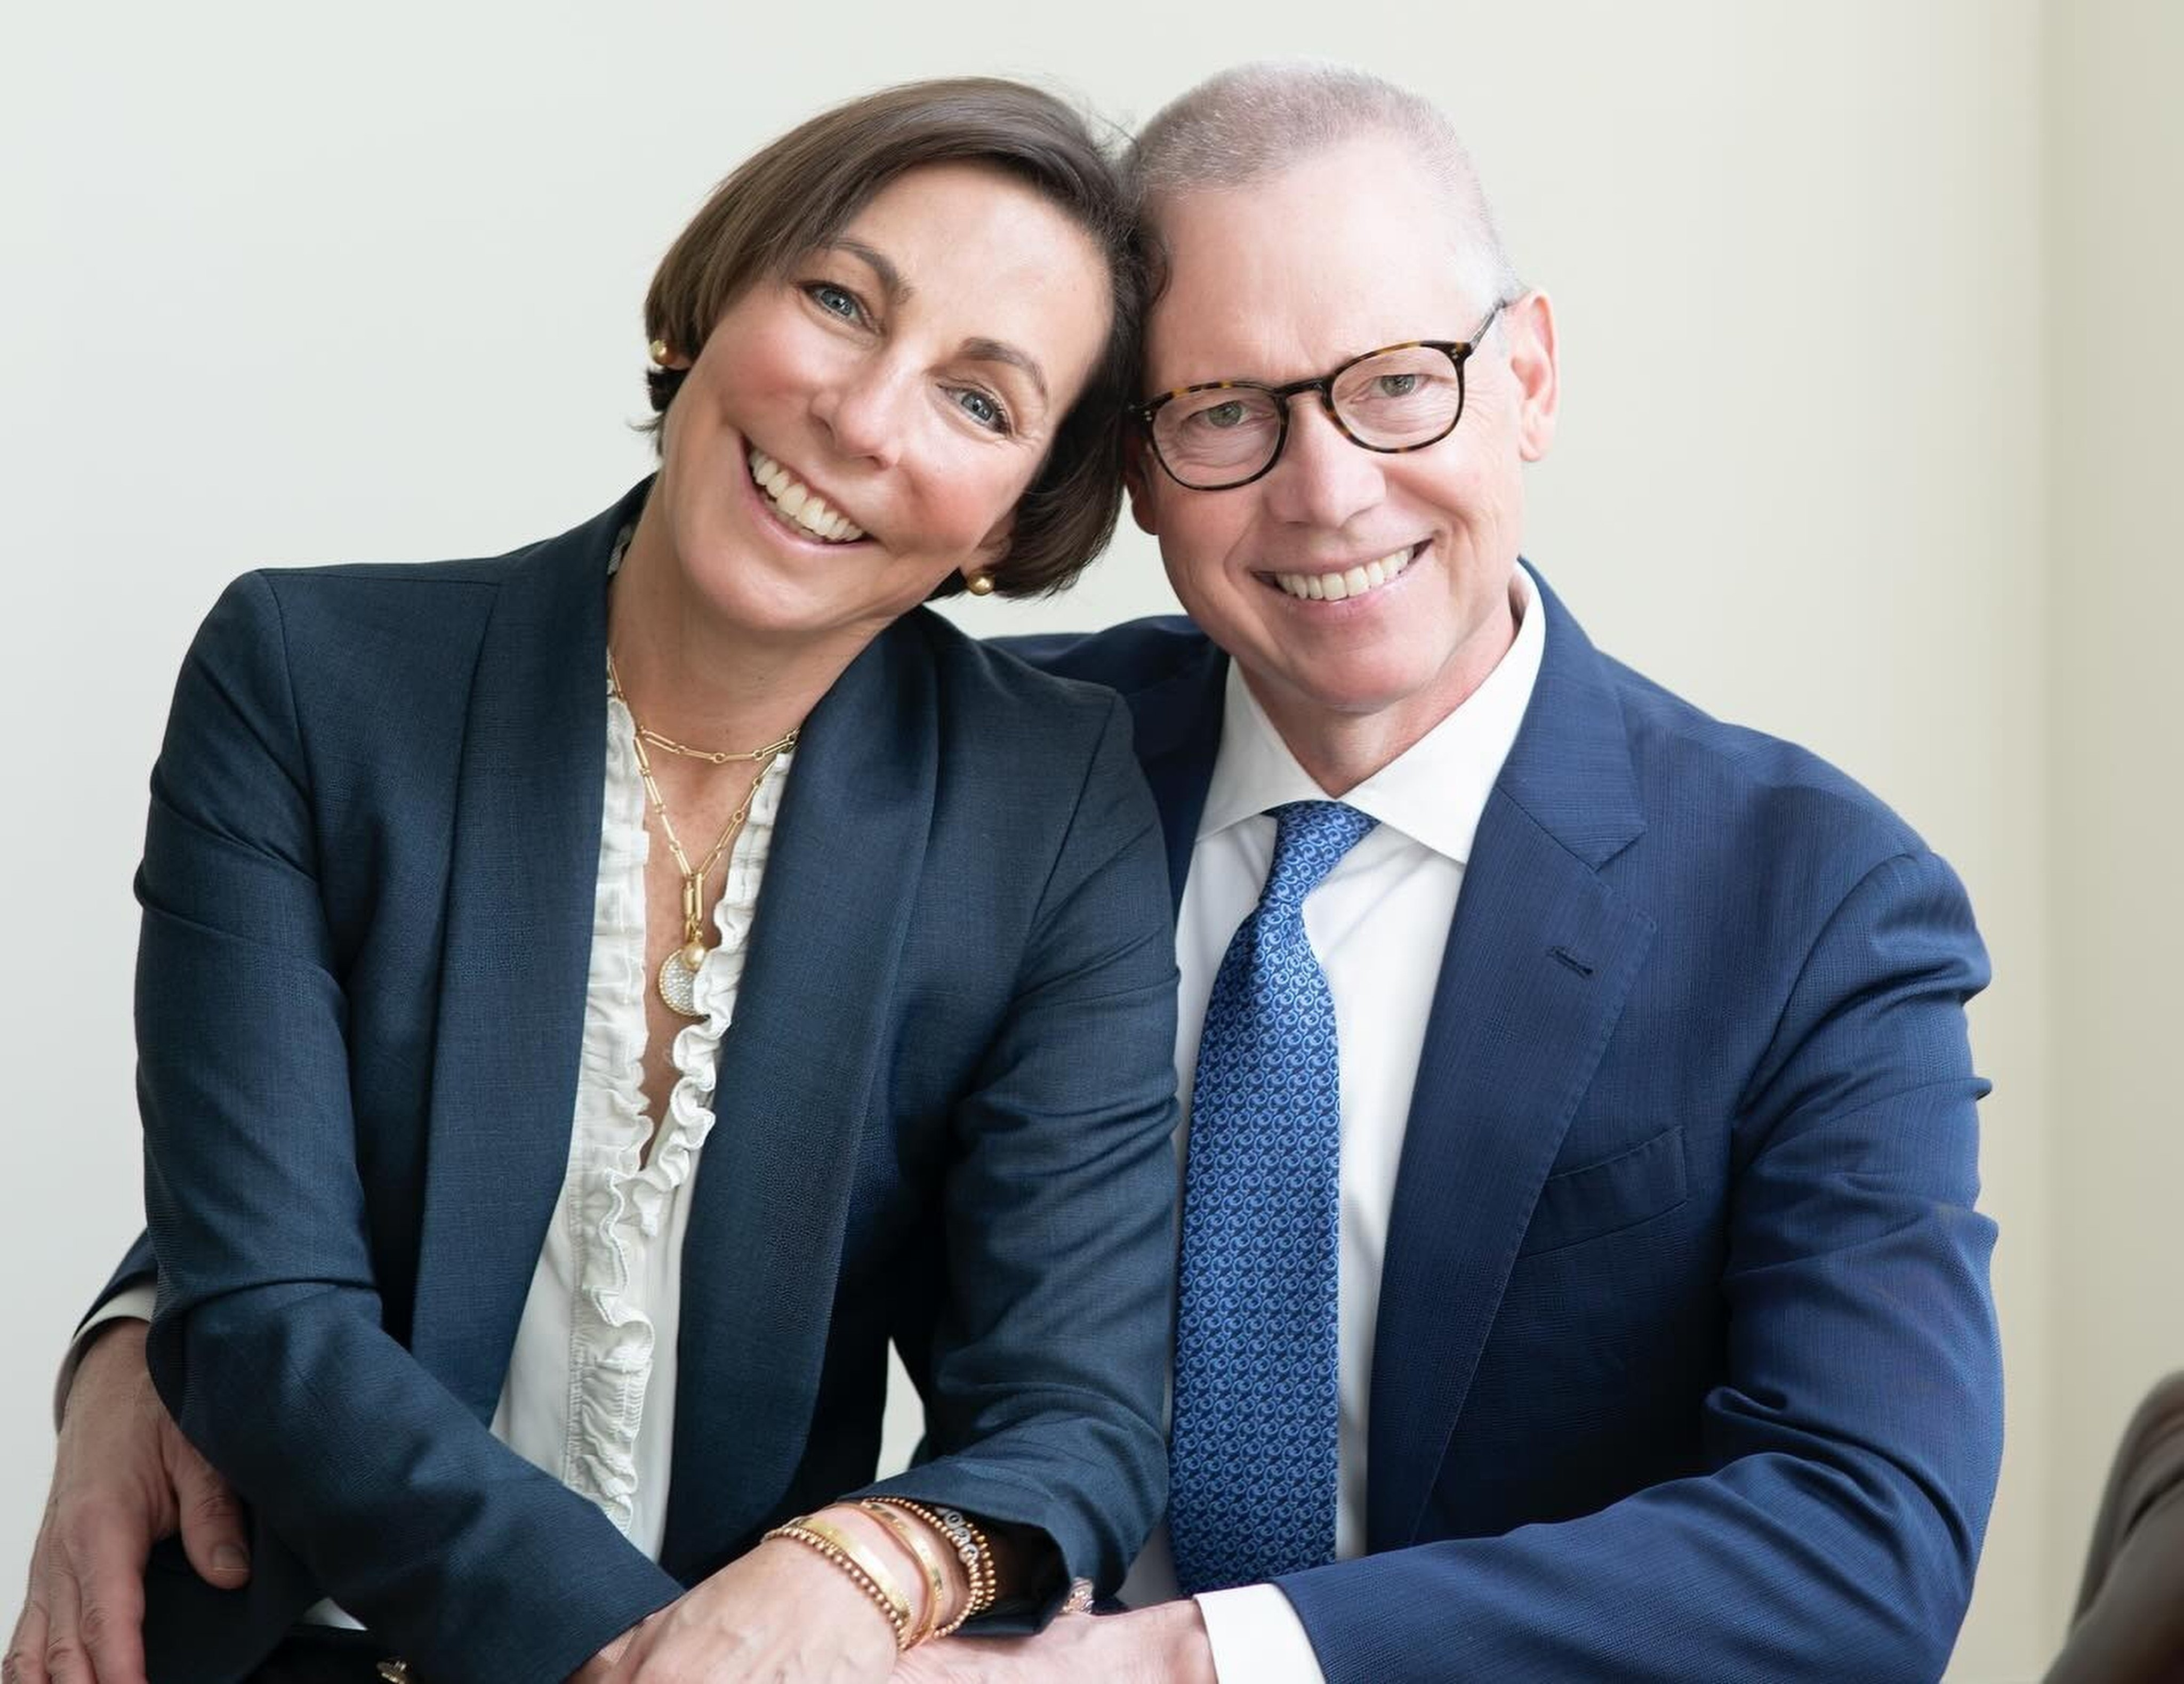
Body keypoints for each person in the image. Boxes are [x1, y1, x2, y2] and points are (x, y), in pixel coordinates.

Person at [21, 59, 2008, 1684]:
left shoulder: (1812, 898)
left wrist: (1185, 1665)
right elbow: (429, 1051)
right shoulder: (1009, 772)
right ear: (1133, 478)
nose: (1325, 488)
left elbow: (1866, 1539)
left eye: (1400, 382)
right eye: (1227, 413)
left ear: (1531, 379)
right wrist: (156, 1339)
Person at [5, 77, 1182, 1684]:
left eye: (981, 401)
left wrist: (859, 1576)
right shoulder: (306, 678)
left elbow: (1075, 1417)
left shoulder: (1047, 804)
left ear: (1015, 521)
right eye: (840, 301)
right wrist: (651, 1661)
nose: (866, 413)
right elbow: (269, 1305)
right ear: (708, 307)